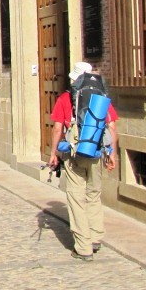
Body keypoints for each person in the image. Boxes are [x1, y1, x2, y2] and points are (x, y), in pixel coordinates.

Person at [47, 61, 119, 261]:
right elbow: (112, 127)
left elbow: (57, 128)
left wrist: (53, 153)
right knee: (94, 195)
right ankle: (95, 238)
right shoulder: (101, 98)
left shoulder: (65, 98)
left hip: (74, 153)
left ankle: (83, 247)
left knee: (76, 198)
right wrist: (111, 154)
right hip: (96, 151)